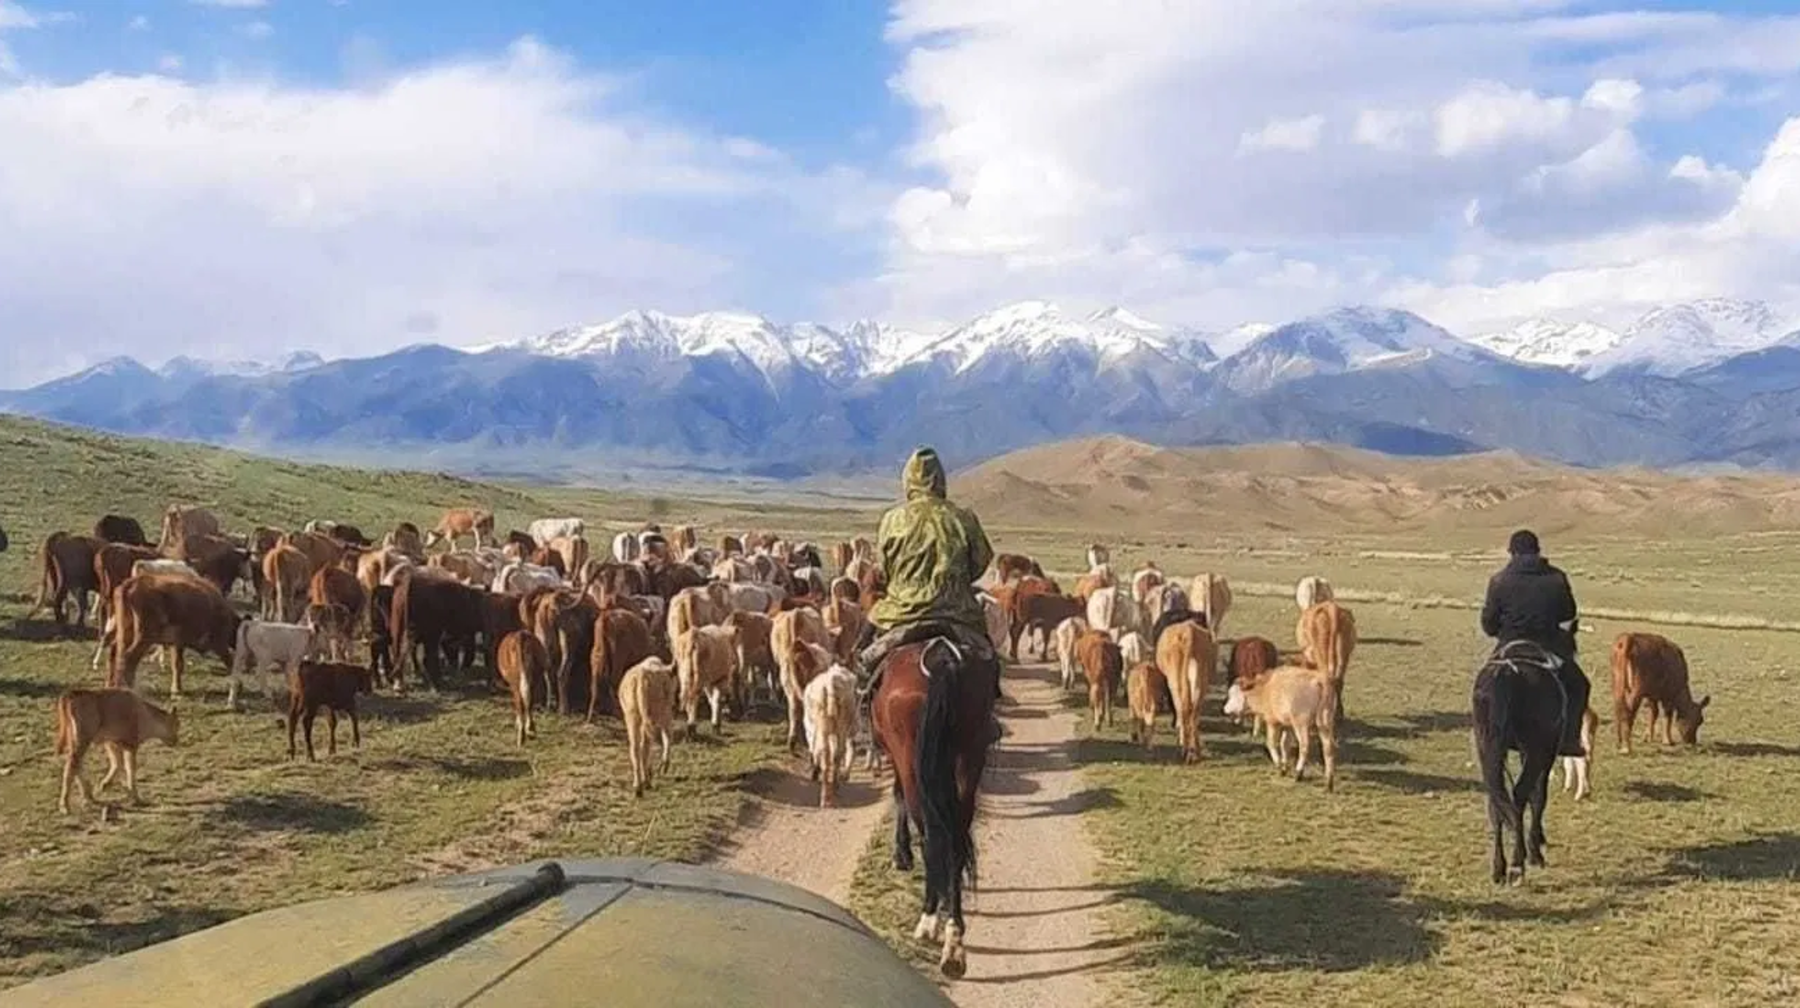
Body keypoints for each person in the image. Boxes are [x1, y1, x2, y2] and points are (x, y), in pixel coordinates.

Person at [855, 447, 1003, 741]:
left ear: (908, 481)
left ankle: (866, 721)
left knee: (862, 659)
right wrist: (954, 581)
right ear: (941, 480)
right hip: (958, 611)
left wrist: (906, 582)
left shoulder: (893, 519)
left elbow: (885, 569)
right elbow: (980, 561)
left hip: (900, 610)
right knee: (988, 659)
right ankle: (987, 718)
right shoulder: (963, 518)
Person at [1479, 528, 1590, 756]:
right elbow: (1568, 613)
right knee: (1579, 686)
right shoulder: (1557, 578)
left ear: (1512, 553)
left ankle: (1485, 733)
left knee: (1484, 685)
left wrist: (1501, 629)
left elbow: (1488, 624)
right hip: (1547, 644)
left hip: (1509, 643)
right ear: (1537, 551)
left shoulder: (1499, 580)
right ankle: (1569, 738)